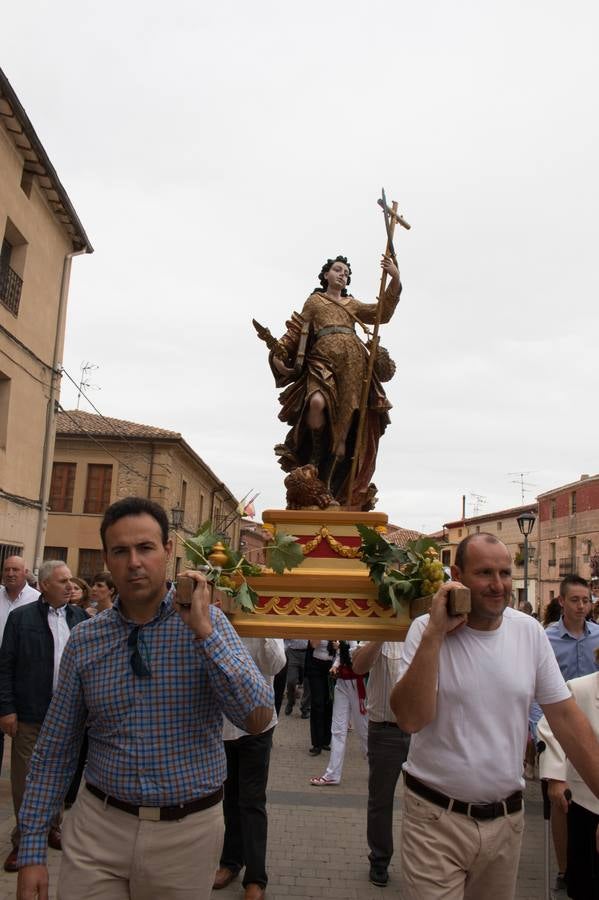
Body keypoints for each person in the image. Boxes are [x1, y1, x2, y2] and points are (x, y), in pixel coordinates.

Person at [15, 496, 274, 900]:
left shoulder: (210, 624)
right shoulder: (86, 639)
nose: (134, 561)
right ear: (107, 557)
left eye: (145, 548)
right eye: (121, 551)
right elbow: (56, 746)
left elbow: (257, 717)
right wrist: (31, 848)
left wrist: (204, 635)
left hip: (186, 835)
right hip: (98, 828)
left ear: (167, 551)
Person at [390, 532, 599, 900]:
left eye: (504, 573)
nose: (498, 584)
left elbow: (565, 717)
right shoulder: (425, 630)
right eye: (485, 573)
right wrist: (436, 632)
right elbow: (410, 719)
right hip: (435, 820)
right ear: (457, 575)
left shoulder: (529, 632)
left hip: (506, 823)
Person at [269, 254, 401, 509]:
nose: (342, 274)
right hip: (322, 362)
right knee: (316, 402)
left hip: (352, 368)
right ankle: (315, 456)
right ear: (326, 274)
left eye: (346, 273)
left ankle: (330, 487)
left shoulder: (351, 304)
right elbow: (297, 330)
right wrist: (279, 353)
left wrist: (394, 278)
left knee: (344, 434)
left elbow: (381, 312)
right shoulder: (315, 301)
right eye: (337, 270)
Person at [0, 560, 86, 872]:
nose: (69, 586)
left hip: (66, 716)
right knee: (25, 780)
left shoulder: (79, 618)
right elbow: (6, 665)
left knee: (60, 776)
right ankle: (22, 840)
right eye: (62, 581)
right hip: (29, 713)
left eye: (70, 581)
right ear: (46, 585)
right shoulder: (21, 618)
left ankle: (52, 826)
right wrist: (7, 708)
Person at [213, 638, 285, 900]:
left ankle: (256, 877)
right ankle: (231, 862)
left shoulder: (265, 618)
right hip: (223, 724)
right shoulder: (218, 618)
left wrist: (265, 630)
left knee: (252, 801)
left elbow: (276, 664)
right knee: (229, 798)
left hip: (258, 723)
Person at [541, 574, 599, 893]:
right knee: (562, 802)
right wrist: (534, 732)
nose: (581, 606)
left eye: (586, 600)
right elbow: (537, 690)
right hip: (557, 729)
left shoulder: (598, 637)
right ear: (562, 601)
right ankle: (565, 867)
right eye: (575, 600)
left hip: (592, 724)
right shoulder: (545, 639)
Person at [352, 640, 411, 888]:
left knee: (423, 802)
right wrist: (380, 636)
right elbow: (358, 666)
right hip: (386, 729)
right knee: (380, 800)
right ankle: (379, 859)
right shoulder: (377, 630)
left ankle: (421, 862)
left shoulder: (425, 630)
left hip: (421, 731)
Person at [0, 556, 39, 777]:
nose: (10, 573)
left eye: (15, 569)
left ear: (25, 572)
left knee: (21, 732)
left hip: (22, 673)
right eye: (7, 569)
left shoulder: (37, 600)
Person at [309, 640, 368, 786]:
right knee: (337, 729)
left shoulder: (360, 627)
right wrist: (335, 666)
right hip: (342, 681)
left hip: (357, 682)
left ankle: (376, 768)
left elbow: (358, 653)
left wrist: (341, 648)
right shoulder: (345, 627)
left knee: (363, 731)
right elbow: (341, 654)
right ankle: (332, 774)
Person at [306, 639, 335, 755]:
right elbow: (313, 644)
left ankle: (325, 741)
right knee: (318, 703)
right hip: (316, 666)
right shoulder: (318, 626)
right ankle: (316, 743)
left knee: (329, 703)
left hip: (331, 668)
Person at [284, 638, 310, 718]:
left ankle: (305, 708)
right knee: (291, 681)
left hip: (307, 652)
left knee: (308, 682)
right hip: (292, 652)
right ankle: (291, 701)